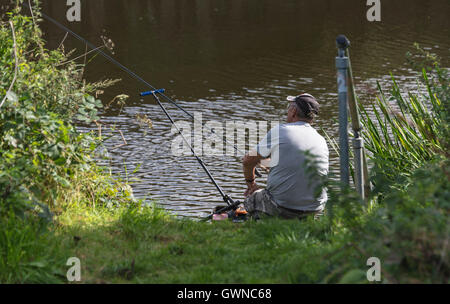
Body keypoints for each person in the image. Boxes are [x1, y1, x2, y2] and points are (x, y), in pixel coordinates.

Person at [242, 93, 329, 220]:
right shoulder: (320, 139)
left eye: (288, 107)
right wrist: (267, 164)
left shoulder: (281, 130)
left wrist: (251, 183)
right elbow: (296, 164)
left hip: (283, 207)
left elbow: (247, 161)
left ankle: (262, 224)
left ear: (293, 111)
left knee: (253, 198)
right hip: (314, 207)